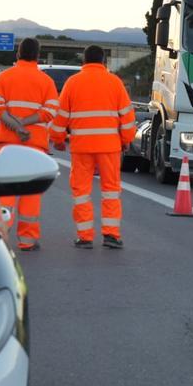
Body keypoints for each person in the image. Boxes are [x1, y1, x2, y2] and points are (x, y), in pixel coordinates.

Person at [49, 45, 136, 249]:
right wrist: (125, 139)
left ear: (83, 62)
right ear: (103, 62)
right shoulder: (115, 82)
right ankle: (111, 235)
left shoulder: (73, 83)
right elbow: (127, 116)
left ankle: (85, 236)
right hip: (109, 147)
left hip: (82, 147)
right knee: (111, 191)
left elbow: (61, 116)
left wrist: (58, 139)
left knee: (81, 192)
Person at [0, 38, 59, 251]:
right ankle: (27, 240)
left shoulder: (5, 77)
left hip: (8, 143)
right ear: (38, 56)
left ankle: (0, 234)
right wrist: (25, 125)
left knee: (6, 192)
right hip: (35, 144)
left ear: (18, 54)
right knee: (30, 193)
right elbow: (49, 112)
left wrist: (16, 127)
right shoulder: (46, 81)